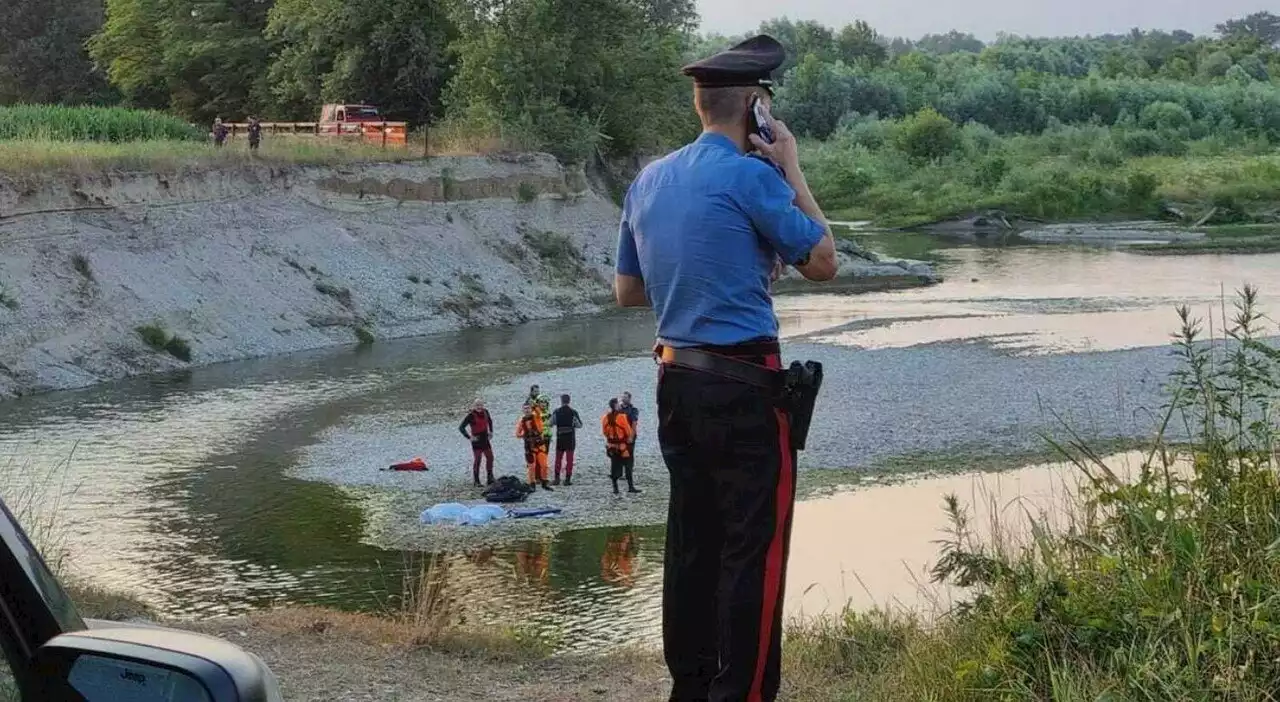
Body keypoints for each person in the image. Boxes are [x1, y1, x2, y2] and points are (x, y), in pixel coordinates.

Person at [613, 34, 837, 702]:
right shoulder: (753, 177)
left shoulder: (648, 180)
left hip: (675, 381)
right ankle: (740, 695)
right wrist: (791, 166)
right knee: (752, 550)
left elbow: (627, 292)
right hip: (744, 386)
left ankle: (692, 687)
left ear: (698, 104)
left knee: (692, 540)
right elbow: (824, 261)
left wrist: (698, 275)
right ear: (756, 108)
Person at [601, 398, 636, 495]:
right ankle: (630, 486)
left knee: (614, 465)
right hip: (622, 446)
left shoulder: (605, 418)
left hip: (611, 446)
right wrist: (628, 438)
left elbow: (604, 432)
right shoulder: (622, 417)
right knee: (628, 465)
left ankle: (615, 488)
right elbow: (628, 431)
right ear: (616, 406)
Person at [458, 399, 495, 486]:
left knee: (490, 457)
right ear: (474, 406)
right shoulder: (471, 415)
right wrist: (469, 437)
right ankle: (476, 481)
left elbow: (490, 421)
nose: (479, 407)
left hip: (485, 438)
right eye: (477, 405)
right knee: (478, 460)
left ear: (483, 405)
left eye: (480, 405)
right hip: (476, 440)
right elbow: (461, 427)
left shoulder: (486, 412)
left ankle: (490, 478)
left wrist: (491, 432)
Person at [516, 403, 552, 491]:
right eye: (525, 409)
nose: (527, 410)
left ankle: (544, 482)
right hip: (529, 446)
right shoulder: (522, 421)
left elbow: (539, 410)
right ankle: (532, 483)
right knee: (531, 466)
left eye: (528, 408)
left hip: (540, 445)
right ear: (522, 410)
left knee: (544, 465)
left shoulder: (537, 416)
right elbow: (517, 434)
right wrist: (525, 435)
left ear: (531, 409)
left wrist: (534, 404)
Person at [550, 394, 583, 486]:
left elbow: (550, 423)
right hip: (570, 438)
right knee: (569, 460)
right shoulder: (573, 412)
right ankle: (567, 479)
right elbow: (579, 425)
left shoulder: (556, 411)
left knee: (558, 459)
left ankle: (557, 479)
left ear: (561, 401)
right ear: (569, 401)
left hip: (560, 438)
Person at [619, 391, 640, 492]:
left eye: (625, 397)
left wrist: (631, 436)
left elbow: (634, 423)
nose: (623, 399)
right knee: (619, 455)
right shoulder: (618, 409)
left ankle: (628, 473)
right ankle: (621, 473)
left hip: (629, 436)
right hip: (620, 436)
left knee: (629, 456)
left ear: (629, 399)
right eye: (623, 397)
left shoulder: (633, 410)